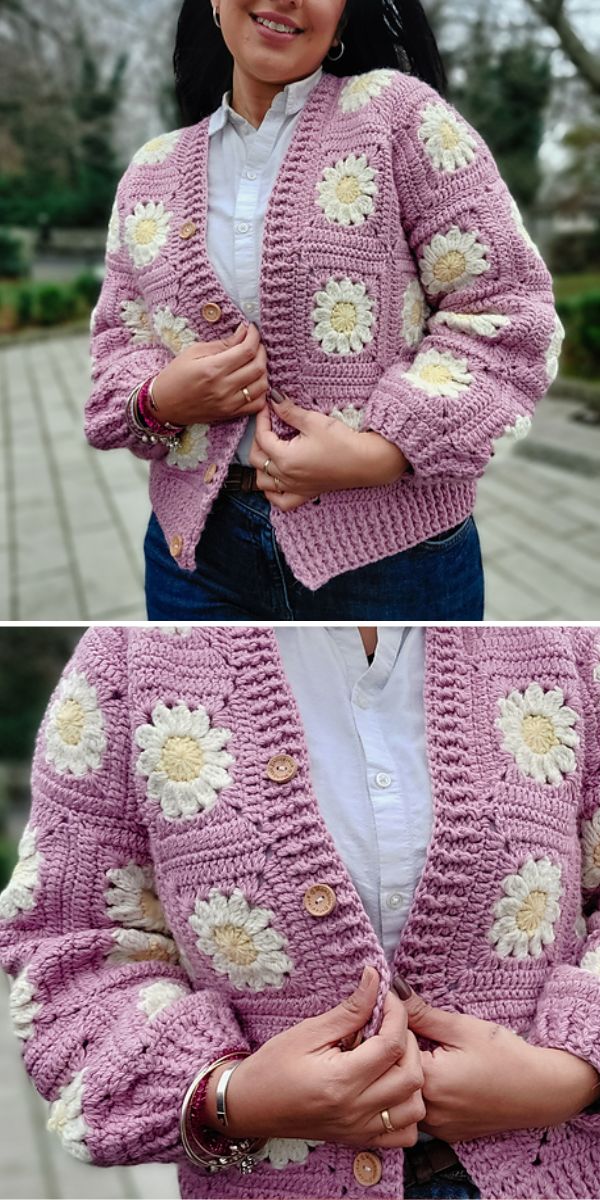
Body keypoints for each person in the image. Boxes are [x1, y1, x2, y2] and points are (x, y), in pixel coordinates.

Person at [1, 624, 599, 1200]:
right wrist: (229, 1094)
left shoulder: (566, 653)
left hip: (560, 1172)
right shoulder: (131, 664)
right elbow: (68, 941)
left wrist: (572, 1075)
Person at [84, 0, 562, 620]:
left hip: (393, 553)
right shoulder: (150, 173)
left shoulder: (396, 118)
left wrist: (383, 452)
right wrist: (161, 400)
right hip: (197, 559)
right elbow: (118, 351)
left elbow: (505, 312)